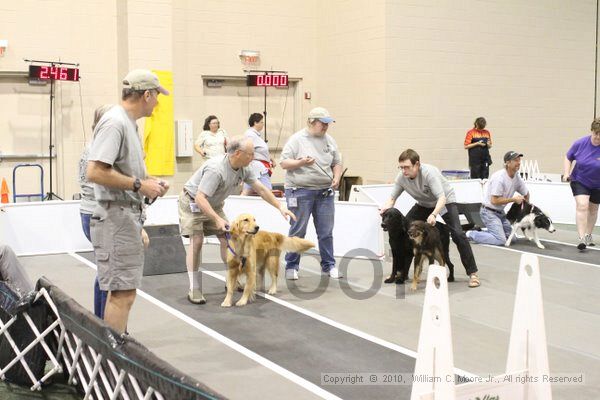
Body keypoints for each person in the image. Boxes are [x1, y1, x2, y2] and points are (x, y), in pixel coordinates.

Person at [87, 69, 170, 333]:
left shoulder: (128, 124)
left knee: (125, 294)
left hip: (125, 217)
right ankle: (111, 364)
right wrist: (139, 185)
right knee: (121, 295)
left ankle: (113, 355)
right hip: (116, 218)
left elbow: (125, 171)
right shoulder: (115, 122)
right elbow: (96, 171)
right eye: (156, 95)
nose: (157, 102)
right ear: (146, 94)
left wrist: (150, 183)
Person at [179, 136, 296, 304]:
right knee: (196, 241)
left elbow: (262, 189)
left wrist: (280, 206)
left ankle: (231, 280)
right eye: (251, 154)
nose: (253, 157)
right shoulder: (216, 169)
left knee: (228, 239)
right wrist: (216, 219)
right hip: (193, 202)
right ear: (238, 154)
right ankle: (194, 287)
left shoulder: (244, 168)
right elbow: (200, 198)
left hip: (214, 203)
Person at [380, 149, 480, 288]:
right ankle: (402, 273)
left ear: (417, 165)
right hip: (423, 204)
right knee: (406, 232)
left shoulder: (429, 173)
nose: (403, 171)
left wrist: (434, 214)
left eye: (407, 167)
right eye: (401, 167)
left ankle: (473, 273)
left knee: (458, 233)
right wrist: (385, 208)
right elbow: (392, 199)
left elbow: (442, 198)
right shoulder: (401, 177)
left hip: (444, 202)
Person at [280, 107, 344, 280]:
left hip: (325, 192)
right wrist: (301, 162)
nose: (325, 127)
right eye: (322, 124)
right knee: (298, 230)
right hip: (299, 190)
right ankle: (291, 265)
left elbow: (337, 162)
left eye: (327, 124)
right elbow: (284, 163)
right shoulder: (297, 139)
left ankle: (329, 265)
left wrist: (336, 177)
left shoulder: (330, 140)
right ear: (311, 122)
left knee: (326, 231)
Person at [465, 151, 529, 245]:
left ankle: (486, 232)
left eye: (519, 160)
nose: (518, 162)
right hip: (488, 212)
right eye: (515, 160)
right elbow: (494, 200)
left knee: (512, 239)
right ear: (507, 163)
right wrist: (513, 199)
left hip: (500, 213)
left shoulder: (516, 177)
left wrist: (526, 210)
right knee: (501, 240)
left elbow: (526, 194)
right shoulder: (499, 178)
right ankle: (470, 233)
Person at [563, 118, 600, 250]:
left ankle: (589, 234)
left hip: (598, 184)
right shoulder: (580, 143)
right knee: (582, 205)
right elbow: (568, 157)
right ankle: (581, 238)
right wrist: (566, 173)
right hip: (580, 180)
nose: (598, 137)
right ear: (592, 131)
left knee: (593, 209)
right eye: (596, 134)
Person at [241, 113, 275, 195]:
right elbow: (248, 150)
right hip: (257, 167)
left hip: (257, 166)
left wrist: (271, 159)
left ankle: (238, 207)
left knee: (247, 192)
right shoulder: (250, 135)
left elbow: (261, 151)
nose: (263, 124)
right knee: (268, 191)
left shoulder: (256, 135)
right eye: (261, 122)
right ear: (255, 123)